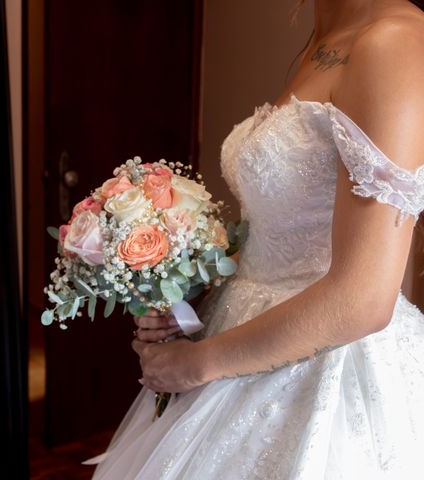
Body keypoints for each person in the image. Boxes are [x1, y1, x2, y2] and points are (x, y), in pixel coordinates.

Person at [93, 0, 424, 478]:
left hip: (327, 366)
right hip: (239, 324)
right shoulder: (324, 36)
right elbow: (279, 229)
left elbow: (363, 299)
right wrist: (184, 290)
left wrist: (196, 364)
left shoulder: (393, 41)